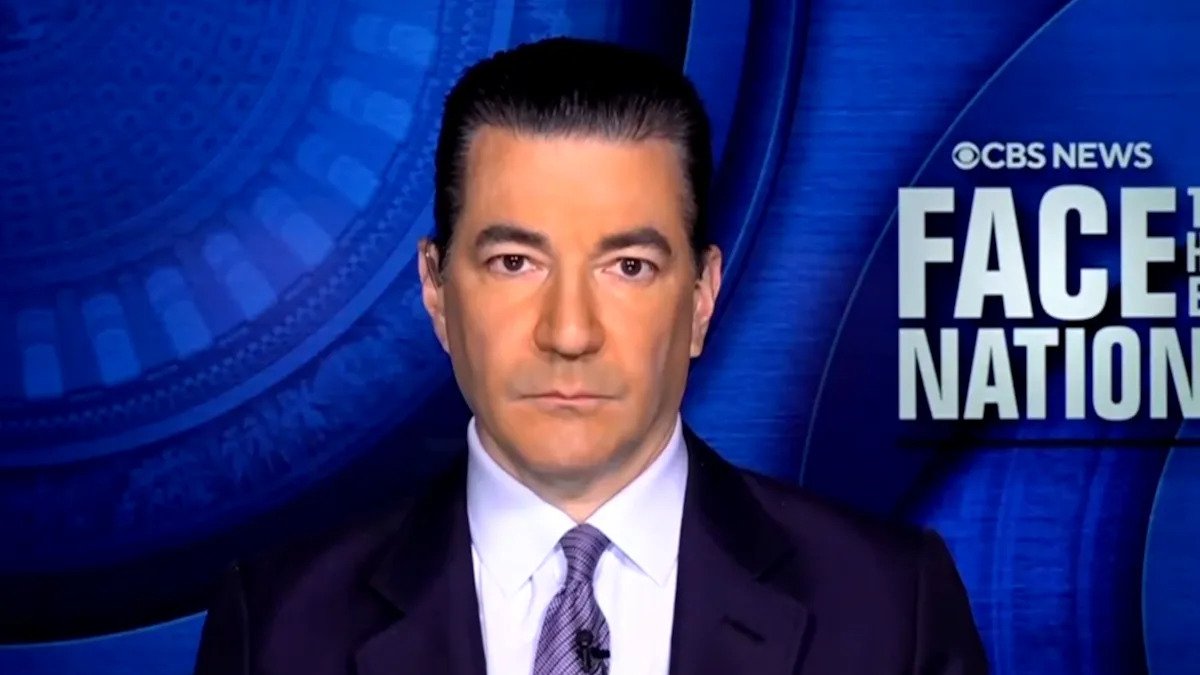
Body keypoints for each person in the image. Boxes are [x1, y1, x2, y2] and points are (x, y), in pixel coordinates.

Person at [193, 36, 988, 675]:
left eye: (628, 266)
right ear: (436, 289)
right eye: (515, 262)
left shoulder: (890, 610)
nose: (569, 332)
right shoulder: (279, 628)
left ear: (701, 296)